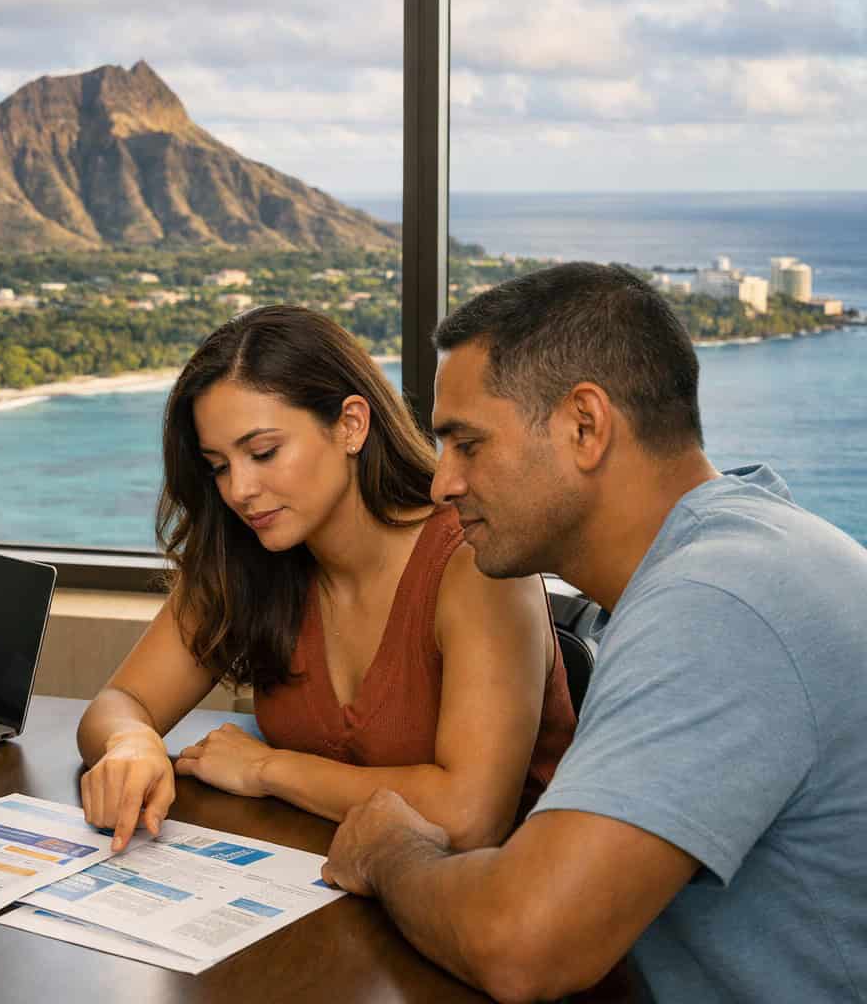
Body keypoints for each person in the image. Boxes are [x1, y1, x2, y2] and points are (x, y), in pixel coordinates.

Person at [320, 263, 867, 1002]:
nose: (442, 483)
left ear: (586, 425)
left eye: (468, 444)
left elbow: (524, 943)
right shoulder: (741, 547)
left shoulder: (716, 607)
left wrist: (390, 851)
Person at [77, 305, 577, 852]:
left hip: (489, 913)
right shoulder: (249, 556)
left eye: (263, 452)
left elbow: (467, 817)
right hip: (325, 893)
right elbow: (120, 700)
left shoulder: (476, 564)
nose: (239, 489)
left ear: (351, 426)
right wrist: (131, 742)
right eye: (219, 465)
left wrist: (268, 768)